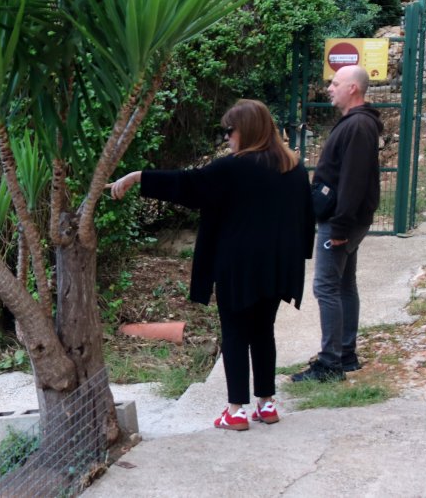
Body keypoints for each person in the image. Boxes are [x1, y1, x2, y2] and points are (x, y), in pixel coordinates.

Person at [109, 99, 314, 431]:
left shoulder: (231, 168)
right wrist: (298, 258)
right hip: (278, 268)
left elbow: (186, 185)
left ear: (245, 131)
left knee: (234, 333)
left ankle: (235, 410)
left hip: (238, 268)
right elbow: (307, 219)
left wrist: (138, 177)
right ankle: (266, 404)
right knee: (263, 332)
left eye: (230, 131)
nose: (227, 138)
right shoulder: (293, 168)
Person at [292, 64, 382, 383]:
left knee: (326, 287)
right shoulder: (356, 123)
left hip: (341, 221)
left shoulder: (358, 126)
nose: (330, 87)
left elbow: (353, 181)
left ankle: (330, 363)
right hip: (346, 219)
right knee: (344, 285)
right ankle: (345, 355)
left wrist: (341, 227)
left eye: (335, 83)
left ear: (353, 89)